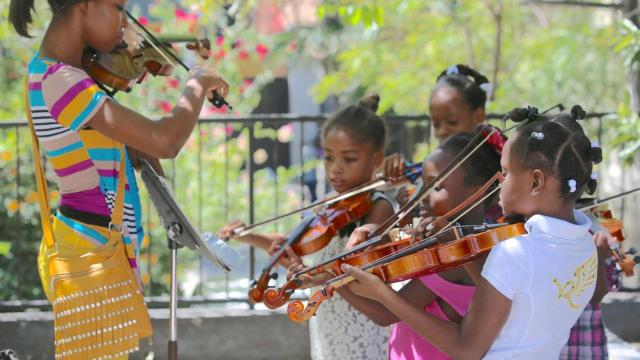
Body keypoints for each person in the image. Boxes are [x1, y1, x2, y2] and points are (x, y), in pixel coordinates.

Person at [10, 0, 229, 357]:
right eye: (117, 8)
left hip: (97, 246)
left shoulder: (61, 73)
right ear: (85, 5)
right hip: (94, 256)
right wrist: (198, 82)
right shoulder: (62, 80)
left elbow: (121, 149)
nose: (125, 23)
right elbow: (164, 140)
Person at [342, 105, 603, 359]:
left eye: (506, 172)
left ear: (535, 181)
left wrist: (382, 294)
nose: (499, 182)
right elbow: (521, 294)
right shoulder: (585, 247)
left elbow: (466, 349)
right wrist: (463, 250)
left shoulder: (515, 252)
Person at [218, 94, 395, 360]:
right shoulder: (328, 205)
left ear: (375, 159)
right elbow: (296, 244)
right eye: (328, 158)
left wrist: (320, 273)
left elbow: (354, 267)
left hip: (361, 324)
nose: (335, 170)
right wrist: (247, 234)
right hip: (329, 322)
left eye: (349, 160)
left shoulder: (379, 208)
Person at [339, 128, 505, 360]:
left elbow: (385, 313)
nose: (422, 196)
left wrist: (333, 280)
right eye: (423, 186)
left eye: (436, 187)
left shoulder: (457, 256)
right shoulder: (473, 244)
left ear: (476, 193)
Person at [384, 64, 491, 206]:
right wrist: (392, 166)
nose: (441, 131)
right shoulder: (433, 167)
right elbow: (381, 180)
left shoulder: (498, 163)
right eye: (436, 124)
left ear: (478, 116)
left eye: (452, 122)